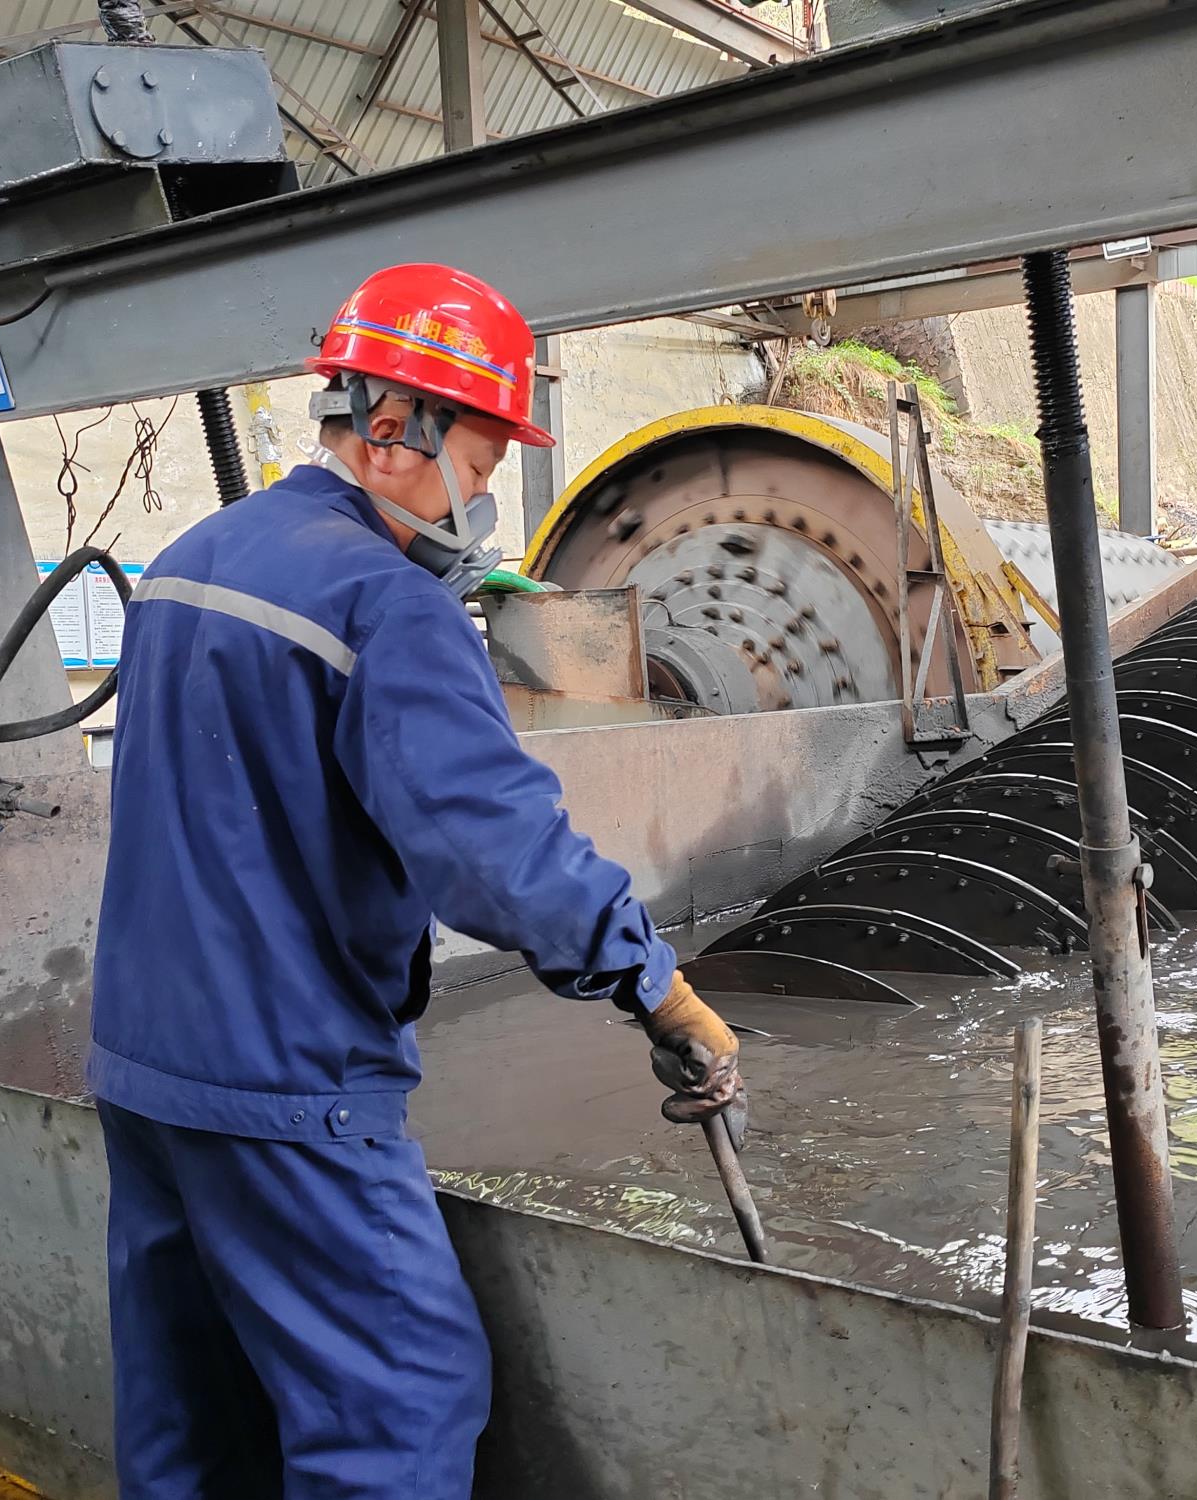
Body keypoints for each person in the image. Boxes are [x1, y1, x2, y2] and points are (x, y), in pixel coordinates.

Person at [87, 263, 746, 1498]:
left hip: (143, 1064)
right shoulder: (387, 607)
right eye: (482, 466)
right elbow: (494, 849)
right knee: (399, 1400)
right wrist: (655, 986)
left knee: (195, 1416)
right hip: (288, 1080)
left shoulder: (189, 559)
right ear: (393, 426)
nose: (480, 500)